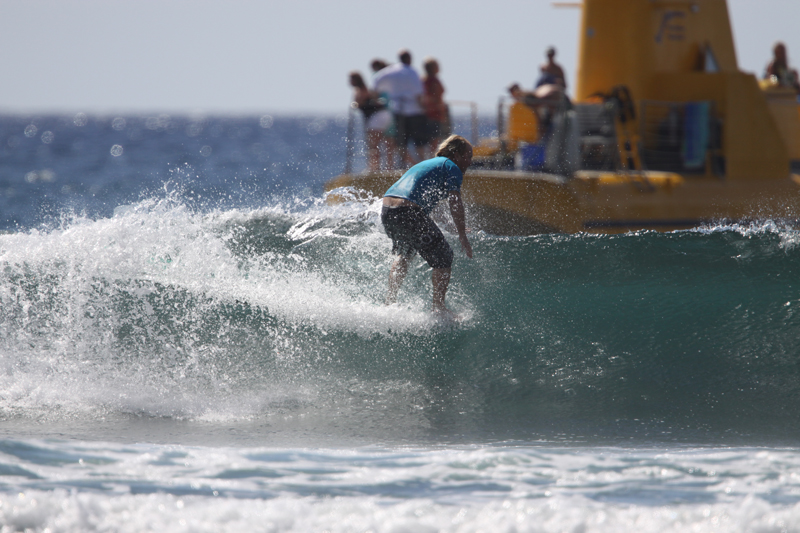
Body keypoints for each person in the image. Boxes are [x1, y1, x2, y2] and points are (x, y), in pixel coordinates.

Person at [381, 134, 473, 318]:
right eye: (468, 156)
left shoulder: (431, 164)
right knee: (444, 256)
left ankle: (389, 301)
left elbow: (428, 206)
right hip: (408, 212)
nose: (469, 162)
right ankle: (438, 308)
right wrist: (463, 235)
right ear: (457, 154)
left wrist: (450, 226)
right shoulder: (451, 166)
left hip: (388, 212)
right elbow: (455, 201)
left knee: (406, 253)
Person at [373, 49, 429, 165]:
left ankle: (408, 165)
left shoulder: (390, 71)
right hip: (414, 110)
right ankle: (422, 164)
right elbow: (419, 94)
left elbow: (376, 81)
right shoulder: (412, 71)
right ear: (410, 59)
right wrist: (424, 108)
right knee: (419, 142)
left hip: (398, 110)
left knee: (401, 142)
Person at [349, 71, 393, 171]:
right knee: (383, 142)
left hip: (376, 117)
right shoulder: (368, 89)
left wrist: (354, 104)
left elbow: (358, 102)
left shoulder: (359, 90)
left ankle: (374, 167)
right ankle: (385, 166)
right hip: (384, 115)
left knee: (373, 144)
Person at [422, 57, 449, 154]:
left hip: (428, 114)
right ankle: (433, 160)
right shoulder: (433, 81)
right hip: (435, 114)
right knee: (435, 140)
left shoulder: (423, 80)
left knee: (432, 141)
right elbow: (435, 97)